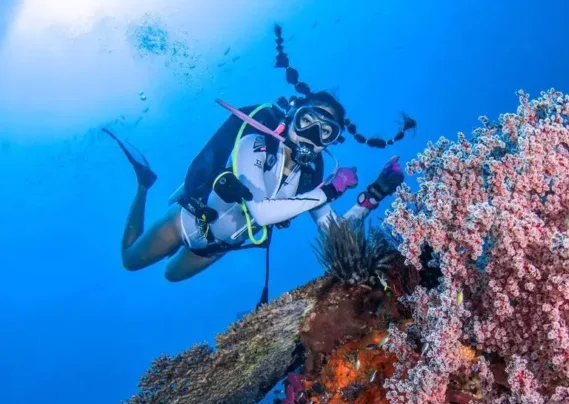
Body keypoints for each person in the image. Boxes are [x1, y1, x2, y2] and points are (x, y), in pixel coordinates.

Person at [105, 25, 415, 306]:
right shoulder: (256, 141)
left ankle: (167, 199)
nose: (311, 134)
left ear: (330, 141)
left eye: (325, 131)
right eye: (307, 121)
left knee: (170, 276)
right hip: (186, 220)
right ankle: (145, 184)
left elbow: (336, 231)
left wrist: (373, 195)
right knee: (131, 261)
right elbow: (261, 211)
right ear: (292, 117)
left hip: (219, 245)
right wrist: (331, 190)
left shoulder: (311, 176)